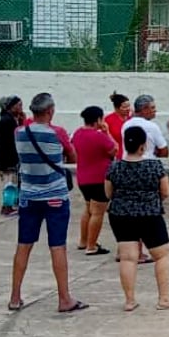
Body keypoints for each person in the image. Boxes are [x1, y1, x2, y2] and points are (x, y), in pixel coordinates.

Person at [10, 93, 85, 313]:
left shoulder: (20, 132)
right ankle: (64, 298)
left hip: (29, 195)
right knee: (57, 245)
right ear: (50, 110)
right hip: (54, 195)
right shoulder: (58, 132)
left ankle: (15, 296)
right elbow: (72, 156)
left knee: (23, 245)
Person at [105, 126, 169, 311]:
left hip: (121, 214)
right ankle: (164, 299)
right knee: (162, 255)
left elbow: (108, 193)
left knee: (128, 258)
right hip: (150, 214)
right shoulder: (154, 166)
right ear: (143, 146)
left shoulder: (115, 167)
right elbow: (166, 192)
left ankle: (129, 301)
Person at [71, 107, 117, 256]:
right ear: (98, 120)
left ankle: (84, 240)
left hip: (83, 177)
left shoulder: (77, 133)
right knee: (98, 212)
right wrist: (107, 132)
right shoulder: (99, 136)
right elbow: (114, 150)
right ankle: (91, 246)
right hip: (98, 178)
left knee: (88, 208)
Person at [122, 95, 169, 161]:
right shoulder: (152, 126)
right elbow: (164, 152)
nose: (155, 110)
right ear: (144, 109)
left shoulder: (125, 125)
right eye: (153, 108)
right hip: (148, 163)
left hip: (128, 162)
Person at [0, 95, 23, 216]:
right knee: (9, 183)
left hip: (8, 156)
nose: (21, 108)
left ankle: (11, 204)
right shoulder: (8, 121)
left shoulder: (9, 119)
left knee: (12, 181)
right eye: (19, 105)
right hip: (8, 157)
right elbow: (12, 141)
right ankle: (7, 206)